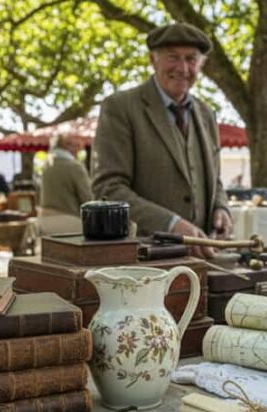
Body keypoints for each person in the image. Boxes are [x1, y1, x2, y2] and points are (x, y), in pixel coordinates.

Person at [92, 22, 232, 258]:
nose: (183, 68)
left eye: (191, 59)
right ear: (152, 60)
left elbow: (215, 179)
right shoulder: (120, 107)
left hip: (203, 258)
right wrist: (171, 224)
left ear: (201, 64)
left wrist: (221, 208)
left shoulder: (207, 114)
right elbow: (108, 190)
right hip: (143, 260)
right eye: (173, 57)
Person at [40, 134, 94, 216]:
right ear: (67, 146)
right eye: (77, 146)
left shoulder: (47, 165)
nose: (78, 151)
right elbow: (87, 199)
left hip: (45, 217)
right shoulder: (75, 167)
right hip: (69, 217)